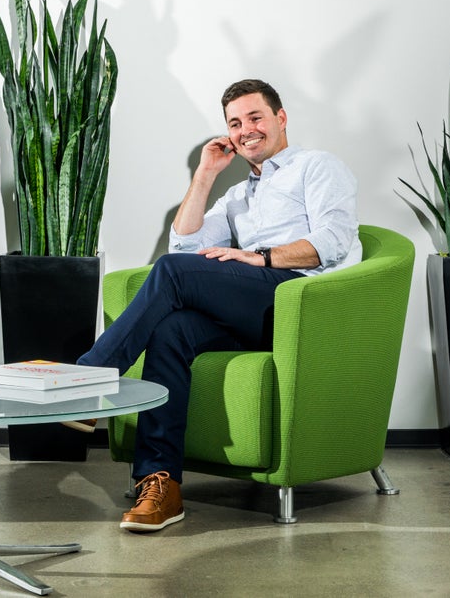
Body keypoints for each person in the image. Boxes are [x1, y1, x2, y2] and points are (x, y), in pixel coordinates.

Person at [71, 78, 362, 532]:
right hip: (256, 310)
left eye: (255, 117)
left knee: (168, 272)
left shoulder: (317, 167)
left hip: (300, 303)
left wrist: (260, 256)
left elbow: (335, 241)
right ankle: (160, 483)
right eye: (235, 122)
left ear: (280, 118)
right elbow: (185, 243)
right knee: (173, 330)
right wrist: (205, 173)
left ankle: (89, 380)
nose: (246, 129)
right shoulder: (239, 194)